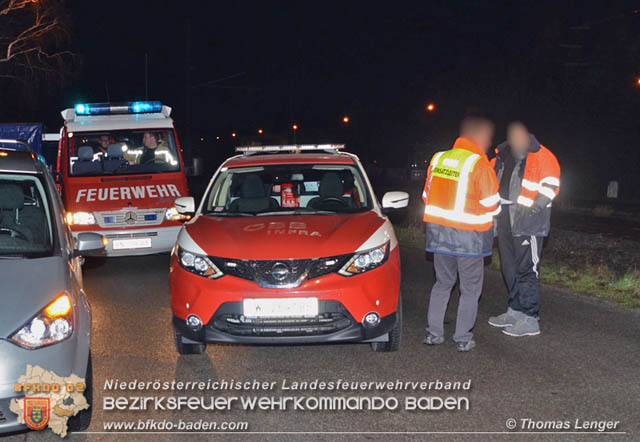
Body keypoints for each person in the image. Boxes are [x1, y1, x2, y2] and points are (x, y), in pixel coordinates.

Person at [422, 116, 501, 352]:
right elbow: (492, 204)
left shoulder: (438, 158)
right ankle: (462, 338)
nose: (488, 142)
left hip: (439, 236)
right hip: (470, 239)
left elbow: (426, 196)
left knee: (442, 283)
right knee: (470, 290)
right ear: (478, 137)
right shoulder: (479, 163)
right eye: (486, 137)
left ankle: (433, 334)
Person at [488, 122, 560, 337]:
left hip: (529, 223)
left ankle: (530, 318)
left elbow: (551, 185)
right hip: (505, 220)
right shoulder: (500, 156)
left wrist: (532, 209)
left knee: (527, 270)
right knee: (509, 268)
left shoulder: (542, 155)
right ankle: (515, 310)